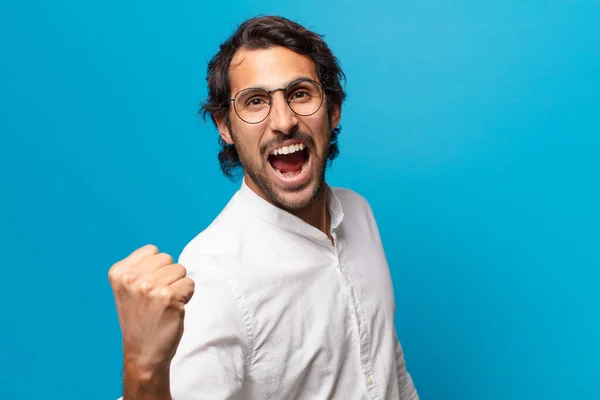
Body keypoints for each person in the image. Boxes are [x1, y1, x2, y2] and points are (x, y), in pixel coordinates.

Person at [109, 15, 419, 400]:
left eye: (300, 93)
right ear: (225, 127)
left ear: (333, 108)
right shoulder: (214, 276)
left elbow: (389, 367)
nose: (284, 121)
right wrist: (143, 367)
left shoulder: (359, 213)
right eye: (255, 102)